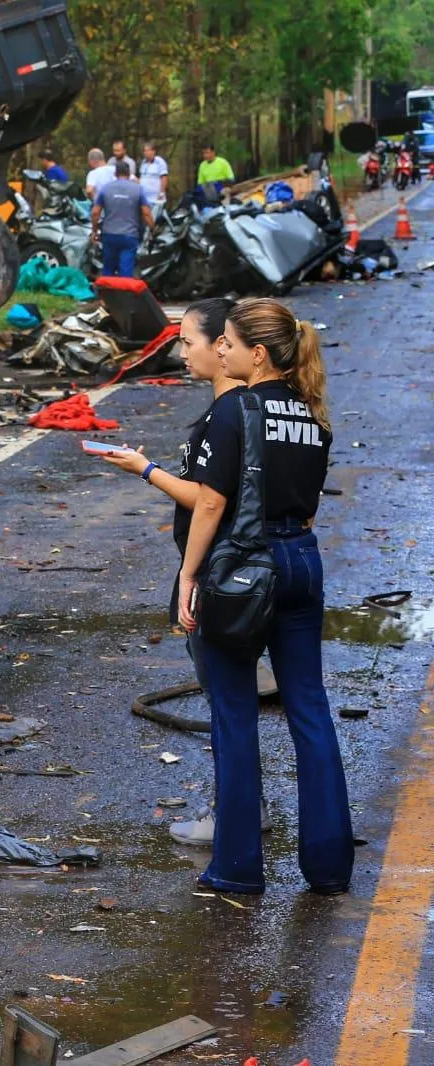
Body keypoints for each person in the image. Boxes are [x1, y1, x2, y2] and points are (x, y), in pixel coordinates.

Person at [178, 297, 352, 896]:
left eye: (227, 341)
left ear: (258, 353)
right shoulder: (313, 414)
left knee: (234, 715)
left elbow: (211, 502)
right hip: (304, 560)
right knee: (310, 710)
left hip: (243, 569)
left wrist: (189, 576)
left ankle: (238, 867)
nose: (220, 351)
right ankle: (330, 868)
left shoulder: (235, 410)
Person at [86, 298, 270, 846]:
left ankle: (235, 817)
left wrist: (145, 469)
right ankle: (242, 806)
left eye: (188, 340)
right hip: (236, 567)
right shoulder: (243, 410)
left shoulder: (230, 412)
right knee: (231, 699)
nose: (180, 350)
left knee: (226, 700)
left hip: (220, 570)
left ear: (223, 346)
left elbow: (209, 500)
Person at [90, 160, 152, 277]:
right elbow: (146, 213)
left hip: (109, 235)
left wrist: (94, 231)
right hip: (129, 236)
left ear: (115, 174)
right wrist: (153, 228)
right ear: (129, 174)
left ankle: (107, 294)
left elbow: (95, 213)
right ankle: (123, 294)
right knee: (126, 270)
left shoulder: (106, 189)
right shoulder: (138, 189)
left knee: (108, 268)